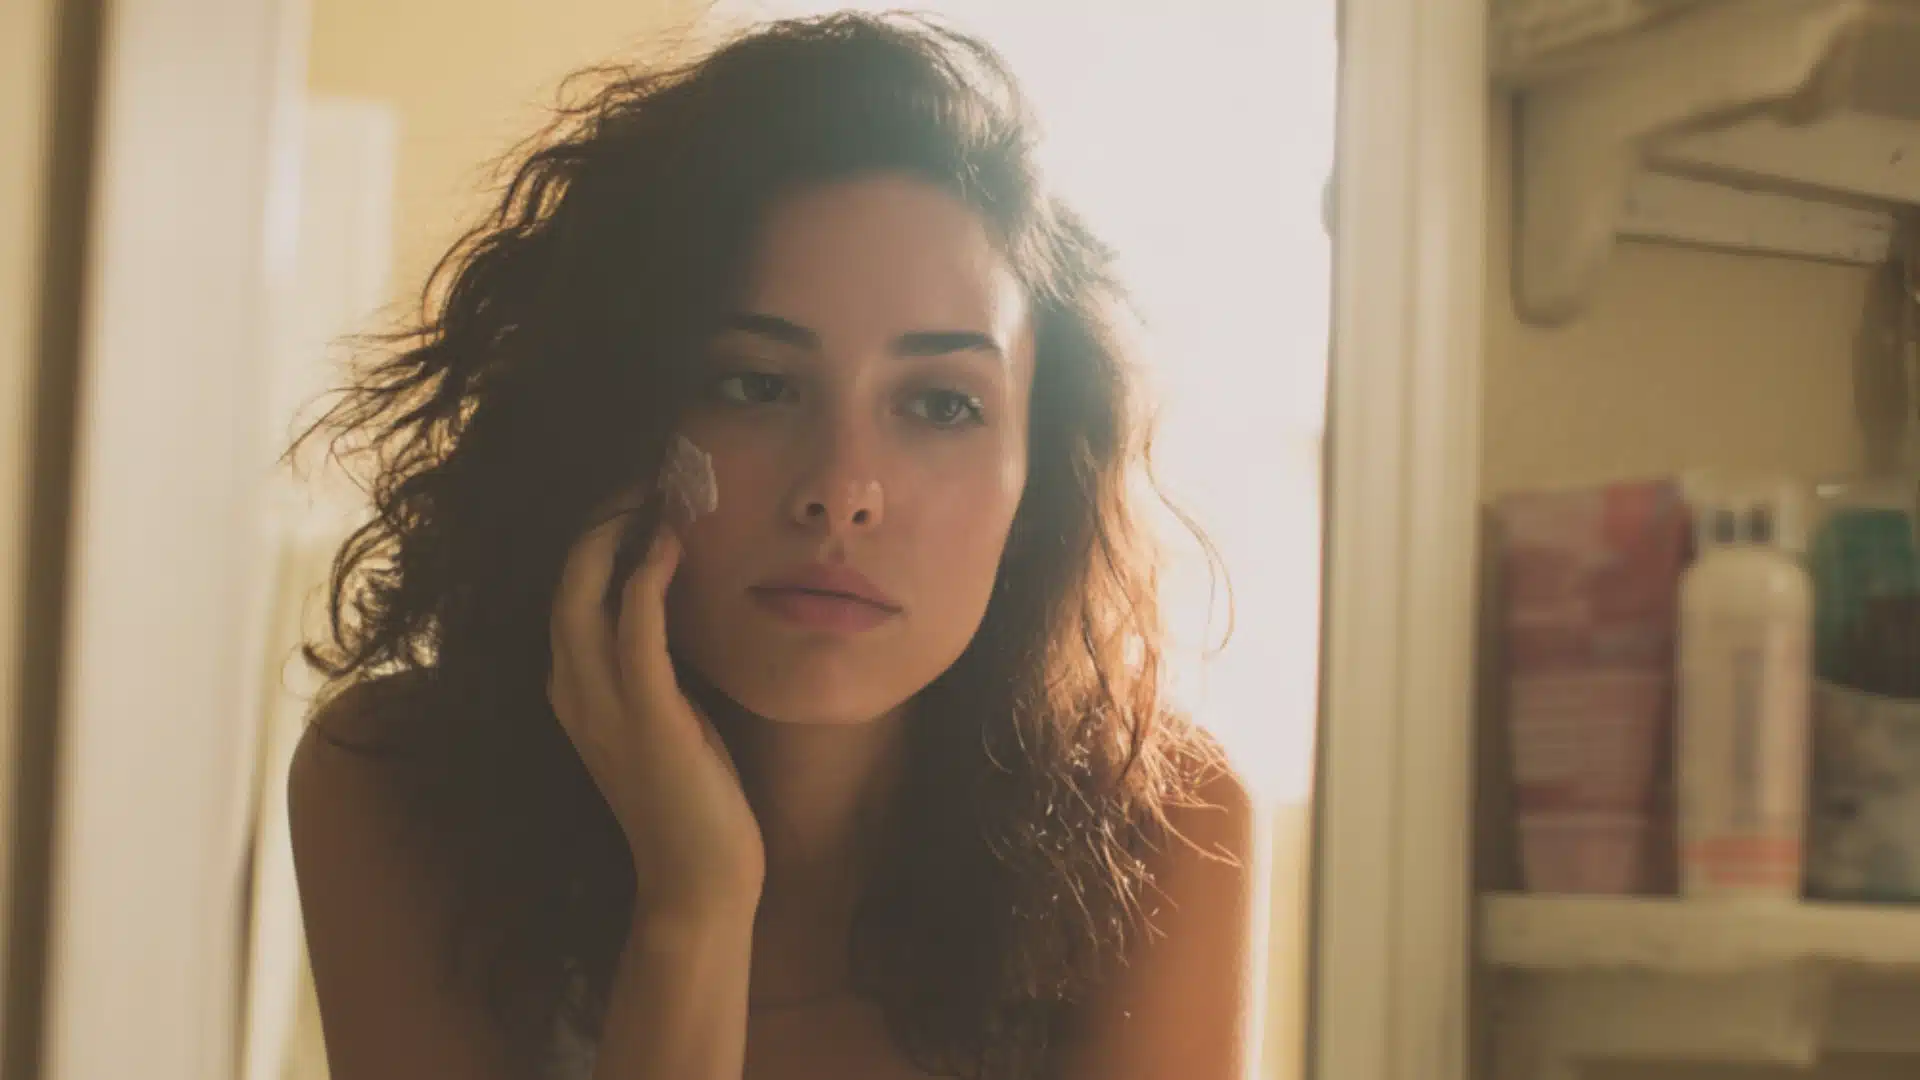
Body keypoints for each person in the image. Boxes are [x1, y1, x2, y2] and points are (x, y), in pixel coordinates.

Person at [287, 12, 1259, 1080]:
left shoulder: (1162, 836)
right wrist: (693, 907)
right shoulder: (397, 793)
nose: (841, 493)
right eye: (754, 385)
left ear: (1038, 482)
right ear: (615, 420)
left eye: (939, 404)